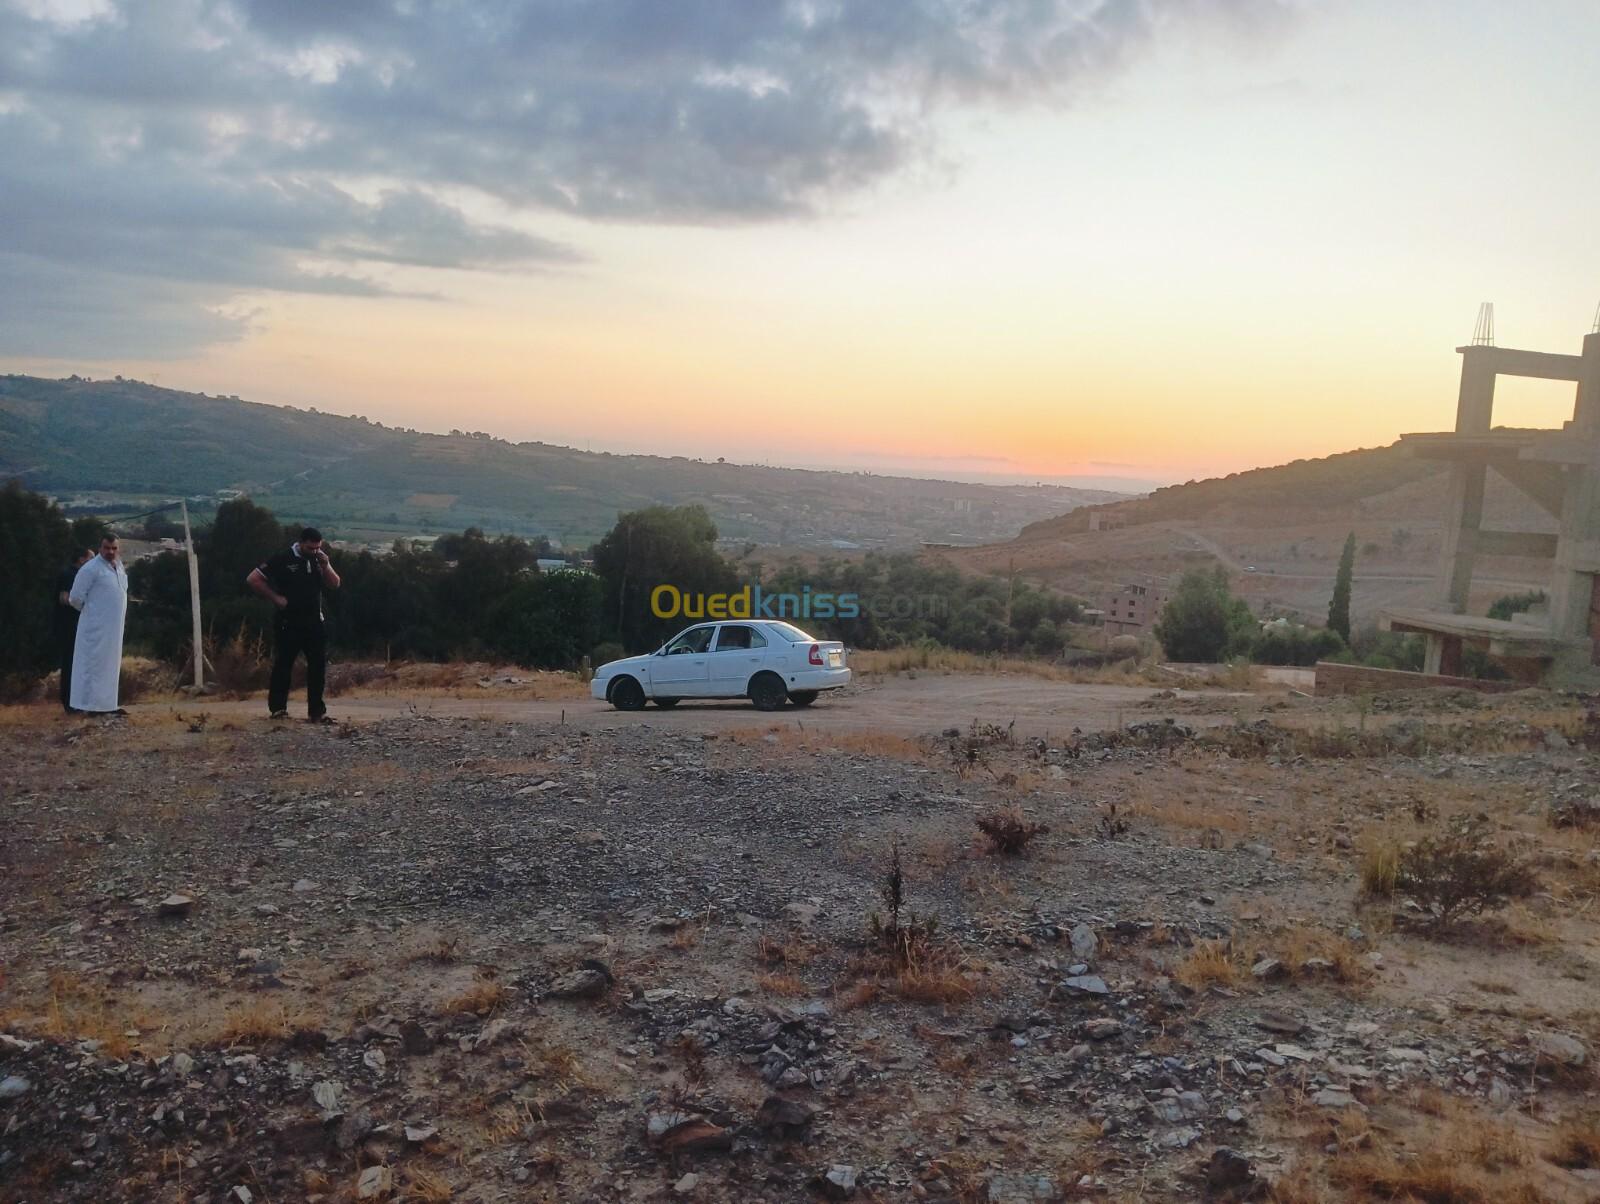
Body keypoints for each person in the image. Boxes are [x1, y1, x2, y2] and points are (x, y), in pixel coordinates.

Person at [248, 527, 341, 722]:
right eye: (310, 548)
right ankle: (278, 709)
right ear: (301, 543)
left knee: (317, 667)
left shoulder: (319, 559)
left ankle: (316, 711)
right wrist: (276, 598)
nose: (314, 551)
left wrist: (326, 565)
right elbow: (254, 579)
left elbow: (335, 584)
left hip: (315, 621)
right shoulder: (283, 558)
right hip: (288, 622)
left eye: (318, 548)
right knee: (284, 665)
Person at [68, 535, 130, 716]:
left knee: (110, 665)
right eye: (106, 548)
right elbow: (75, 598)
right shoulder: (90, 569)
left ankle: (108, 704)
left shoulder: (118, 566)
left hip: (114, 628)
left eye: (114, 548)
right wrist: (93, 614)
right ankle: (92, 706)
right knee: (93, 665)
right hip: (95, 627)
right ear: (100, 548)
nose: (110, 552)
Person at [54, 547, 94, 713]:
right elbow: (64, 598)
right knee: (70, 663)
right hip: (69, 625)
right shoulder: (69, 575)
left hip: (73, 625)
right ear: (81, 559)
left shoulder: (74, 574)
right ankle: (69, 702)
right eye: (91, 559)